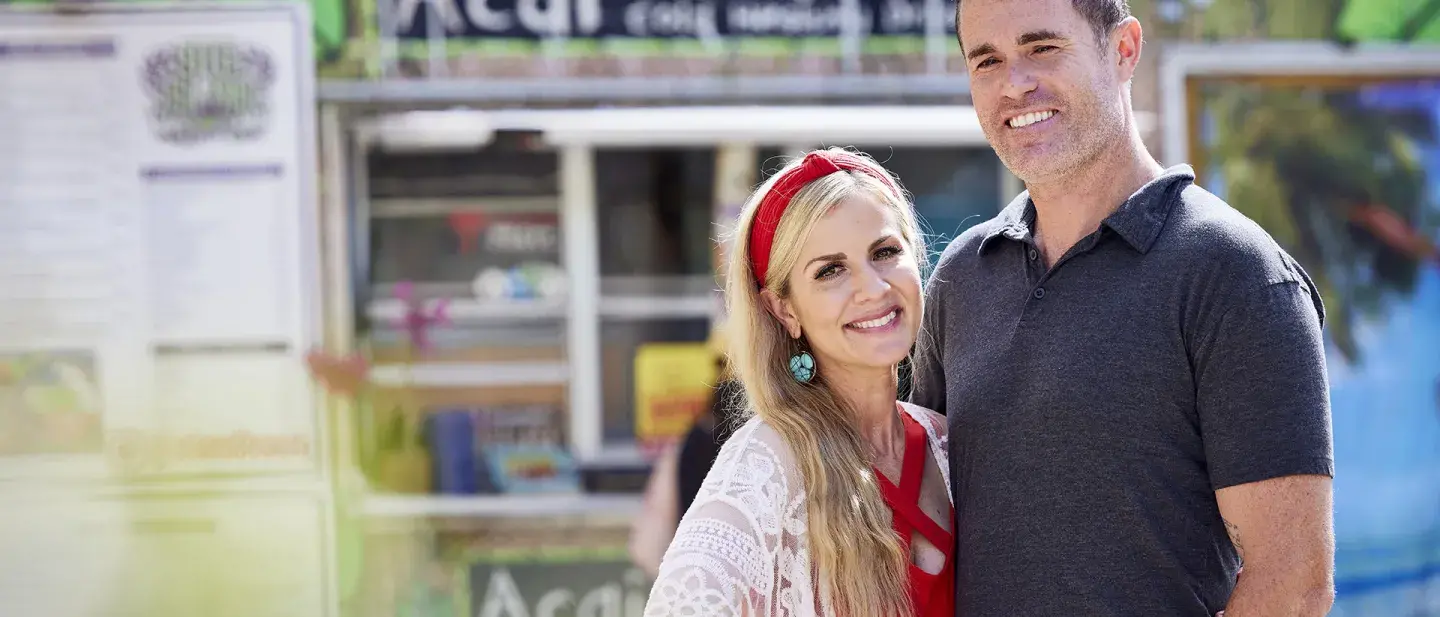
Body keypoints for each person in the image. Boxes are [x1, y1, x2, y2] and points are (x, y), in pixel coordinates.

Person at [909, 0, 1336, 615]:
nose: (1014, 83)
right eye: (987, 60)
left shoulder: (1236, 275)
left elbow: (1293, 585)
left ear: (1124, 50)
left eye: (1042, 48)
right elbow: (920, 525)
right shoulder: (961, 277)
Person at [643, 147, 952, 616]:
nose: (872, 287)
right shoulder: (768, 462)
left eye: (885, 252)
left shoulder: (947, 443)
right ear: (784, 311)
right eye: (831, 271)